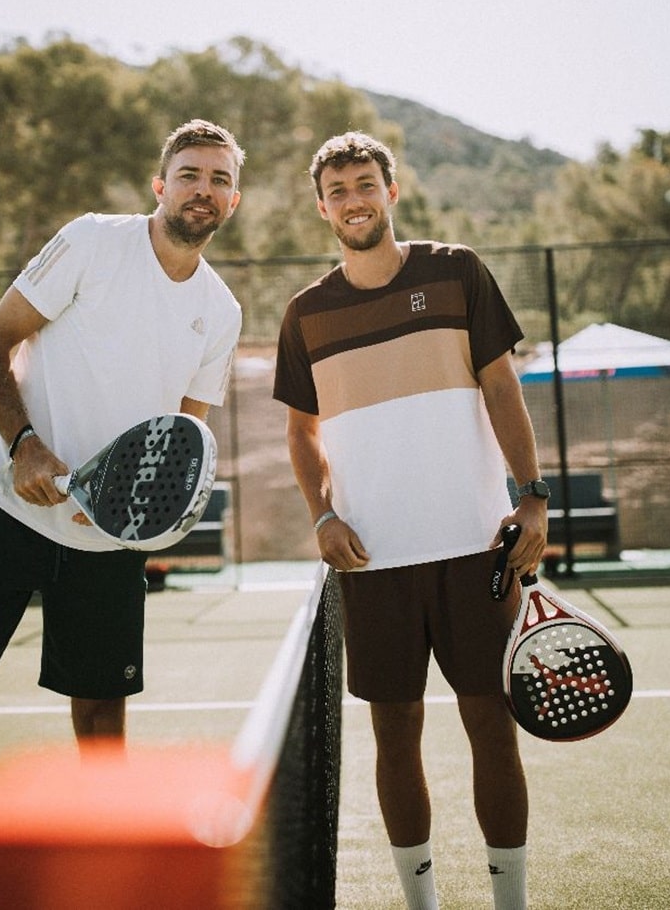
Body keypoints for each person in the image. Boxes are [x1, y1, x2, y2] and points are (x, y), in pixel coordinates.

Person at [0, 119, 245, 910]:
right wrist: (25, 446)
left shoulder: (220, 312)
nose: (204, 190)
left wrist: (132, 515)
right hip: (1, 511)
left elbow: (180, 440)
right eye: (190, 174)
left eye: (220, 179)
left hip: (103, 546)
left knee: (103, 737)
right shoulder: (91, 242)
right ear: (161, 185)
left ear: (234, 199)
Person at [273, 132, 548, 910]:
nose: (354, 200)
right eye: (338, 190)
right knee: (395, 740)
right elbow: (300, 432)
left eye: (366, 184)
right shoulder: (305, 314)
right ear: (322, 207)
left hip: (476, 549)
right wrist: (322, 514)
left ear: (391, 192)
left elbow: (502, 385)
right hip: (372, 562)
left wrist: (532, 495)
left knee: (492, 728)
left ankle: (511, 904)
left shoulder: (458, 271)